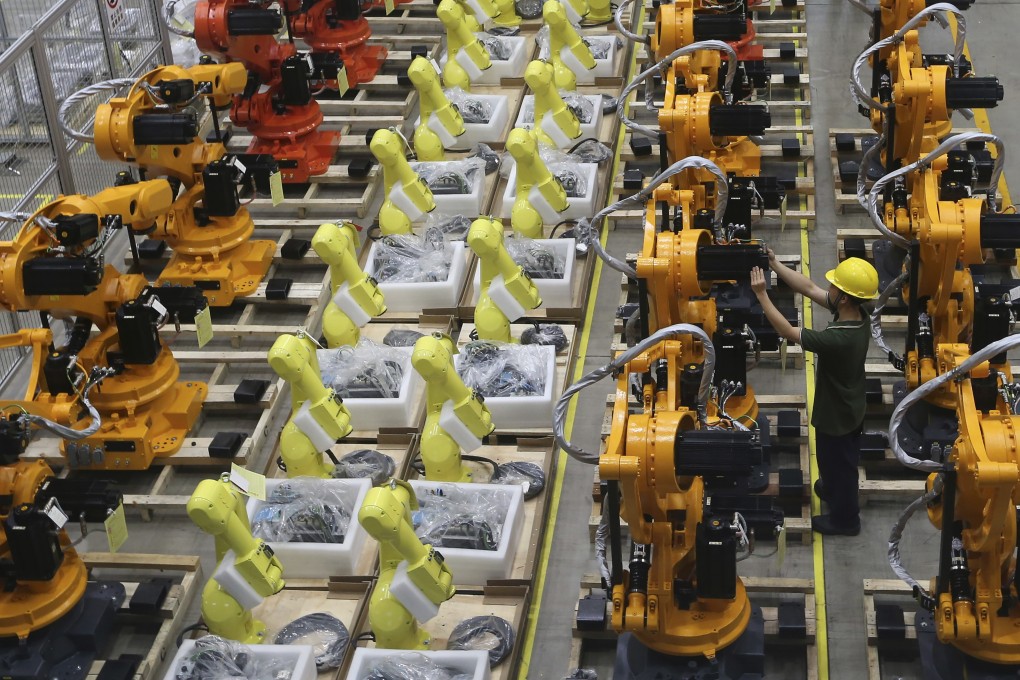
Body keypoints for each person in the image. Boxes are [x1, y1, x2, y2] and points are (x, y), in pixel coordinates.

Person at [749, 251, 879, 536]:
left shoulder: (839, 339)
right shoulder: (857, 313)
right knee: (833, 463)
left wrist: (761, 295)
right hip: (850, 403)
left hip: (838, 415)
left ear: (844, 297)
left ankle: (846, 520)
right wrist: (774, 263)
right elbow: (808, 288)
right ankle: (831, 487)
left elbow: (788, 331)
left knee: (840, 467)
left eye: (834, 285)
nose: (828, 288)